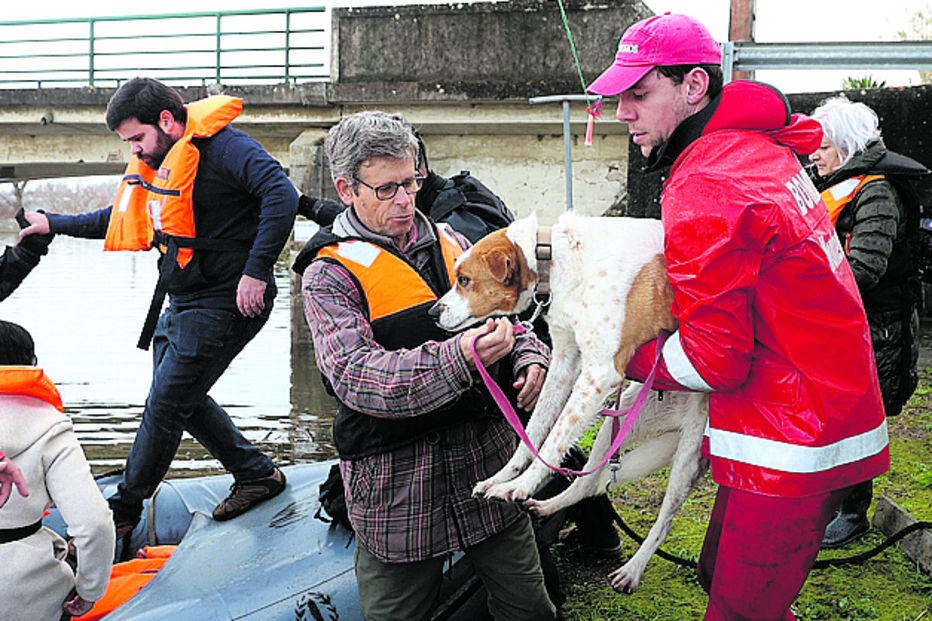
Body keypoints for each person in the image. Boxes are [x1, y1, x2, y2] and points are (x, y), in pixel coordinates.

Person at [588, 13, 890, 620]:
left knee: (737, 608)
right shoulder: (757, 150)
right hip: (819, 404)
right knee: (717, 574)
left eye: (639, 93)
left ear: (694, 86)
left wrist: (619, 356)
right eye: (619, 97)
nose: (623, 113)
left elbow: (713, 359)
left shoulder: (707, 179)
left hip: (789, 431)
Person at [293, 110, 556, 621]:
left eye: (411, 182)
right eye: (388, 188)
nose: (406, 200)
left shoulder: (453, 242)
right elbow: (356, 376)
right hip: (396, 495)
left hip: (486, 473)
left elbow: (511, 317)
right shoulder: (326, 275)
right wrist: (461, 357)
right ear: (347, 189)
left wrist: (529, 356)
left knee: (531, 610)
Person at [19, 77, 298, 542]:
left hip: (229, 298)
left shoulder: (228, 149)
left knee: (166, 402)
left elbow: (282, 195)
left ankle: (124, 509)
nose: (135, 149)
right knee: (180, 401)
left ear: (166, 120)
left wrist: (257, 270)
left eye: (136, 138)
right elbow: (123, 218)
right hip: (183, 299)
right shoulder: (159, 161)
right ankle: (255, 474)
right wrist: (55, 224)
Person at [809, 96, 928, 548]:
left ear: (846, 145)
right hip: (840, 327)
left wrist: (802, 287)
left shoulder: (875, 190)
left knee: (857, 419)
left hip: (877, 332)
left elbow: (864, 271)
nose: (813, 156)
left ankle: (854, 513)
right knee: (834, 415)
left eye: (822, 147)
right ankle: (833, 502)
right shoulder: (838, 184)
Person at [0, 320, 115, 620]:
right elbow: (96, 525)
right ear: (29, 364)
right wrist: (89, 591)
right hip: (24, 595)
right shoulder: (49, 425)